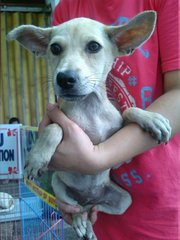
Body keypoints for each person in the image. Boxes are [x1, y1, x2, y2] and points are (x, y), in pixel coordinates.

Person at [40, 0, 180, 239]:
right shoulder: (66, 8)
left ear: (127, 41)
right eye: (56, 49)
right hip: (95, 219)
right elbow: (68, 110)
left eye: (93, 47)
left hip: (160, 206)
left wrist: (97, 158)